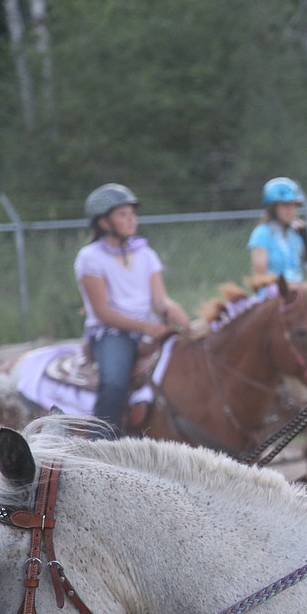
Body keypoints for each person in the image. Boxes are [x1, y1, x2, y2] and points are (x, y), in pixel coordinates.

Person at [75, 183, 190, 435]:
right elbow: (103, 313)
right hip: (111, 334)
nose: (131, 220)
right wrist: (148, 326)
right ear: (104, 222)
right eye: (122, 214)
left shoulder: (146, 254)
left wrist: (178, 314)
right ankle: (101, 443)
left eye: (132, 214)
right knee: (115, 383)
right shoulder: (90, 257)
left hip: (146, 328)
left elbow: (160, 300)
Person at [247, 176, 307, 283]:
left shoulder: (295, 234)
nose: (291, 210)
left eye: (294, 205)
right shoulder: (262, 234)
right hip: (273, 295)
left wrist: (305, 237)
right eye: (285, 205)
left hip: (297, 294)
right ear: (273, 208)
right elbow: (260, 278)